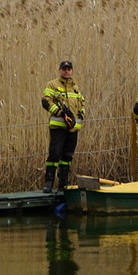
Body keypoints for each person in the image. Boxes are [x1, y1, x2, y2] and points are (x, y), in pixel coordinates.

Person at [41, 61, 86, 193]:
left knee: (67, 156)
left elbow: (81, 104)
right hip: (58, 127)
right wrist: (59, 112)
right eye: (64, 69)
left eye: (69, 69)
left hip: (73, 128)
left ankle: (63, 183)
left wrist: (82, 114)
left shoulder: (76, 87)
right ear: (60, 70)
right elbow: (45, 101)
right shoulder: (52, 84)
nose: (66, 71)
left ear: (72, 71)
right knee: (54, 154)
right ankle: (49, 183)